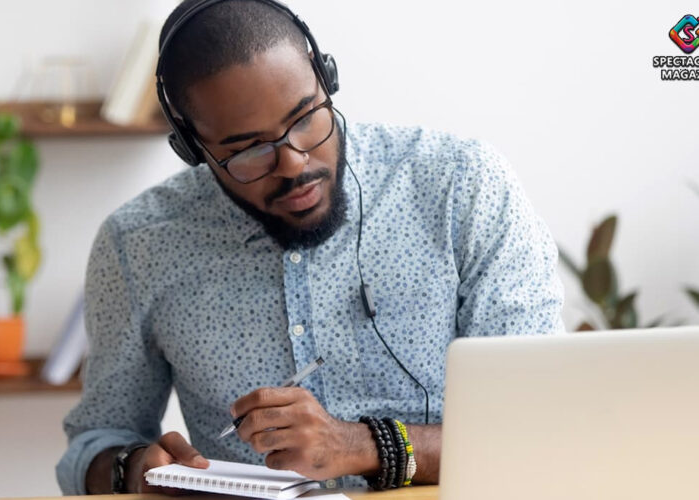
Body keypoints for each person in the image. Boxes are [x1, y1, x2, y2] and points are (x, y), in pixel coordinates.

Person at [56, 0, 564, 494]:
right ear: (192, 148)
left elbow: (540, 425)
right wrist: (133, 469)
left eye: (306, 118)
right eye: (248, 150)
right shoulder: (137, 244)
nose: (295, 163)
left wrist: (364, 446)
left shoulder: (462, 186)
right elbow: (94, 445)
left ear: (327, 79)